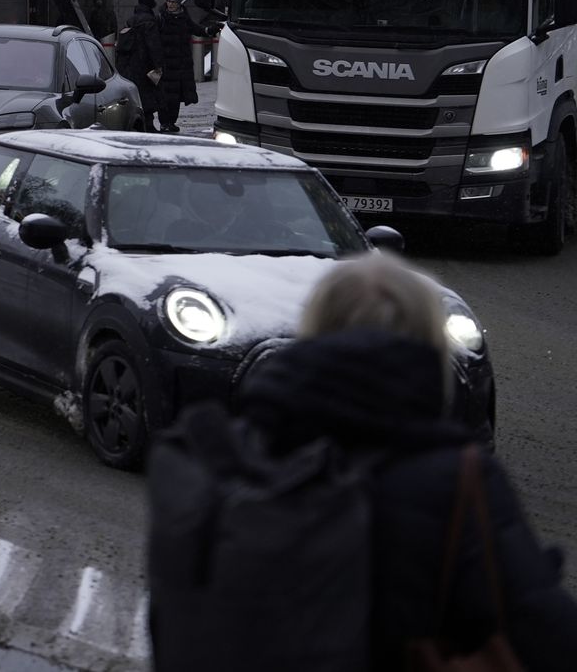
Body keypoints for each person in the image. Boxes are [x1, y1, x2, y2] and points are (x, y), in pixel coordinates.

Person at [229, 254, 577, 666]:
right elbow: (546, 634)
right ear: (428, 340)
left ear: (315, 330)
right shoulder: (456, 479)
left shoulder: (234, 461)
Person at [155, 0, 210, 133]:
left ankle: (171, 122)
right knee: (165, 96)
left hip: (181, 64)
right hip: (166, 65)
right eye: (169, 1)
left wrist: (208, 31)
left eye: (173, 2)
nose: (170, 4)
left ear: (179, 4)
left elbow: (195, 28)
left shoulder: (184, 17)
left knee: (176, 96)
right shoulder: (161, 18)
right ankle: (164, 123)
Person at [120, 0, 164, 132]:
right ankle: (149, 124)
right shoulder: (149, 21)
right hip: (145, 64)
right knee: (148, 95)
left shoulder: (131, 20)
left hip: (131, 63)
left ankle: (139, 121)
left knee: (138, 94)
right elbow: (153, 45)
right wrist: (158, 64)